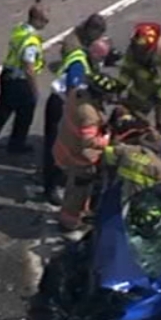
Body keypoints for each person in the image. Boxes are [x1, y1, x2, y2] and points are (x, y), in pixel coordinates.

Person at [42, 14, 108, 205]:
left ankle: (58, 177)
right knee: (56, 147)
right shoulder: (79, 62)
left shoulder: (86, 56)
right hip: (62, 104)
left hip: (66, 103)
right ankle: (51, 186)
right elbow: (75, 91)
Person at [0, 0, 48, 156]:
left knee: (4, 109)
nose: (46, 23)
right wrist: (35, 91)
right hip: (20, 81)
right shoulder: (31, 41)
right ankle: (16, 145)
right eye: (45, 20)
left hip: (7, 75)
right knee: (25, 113)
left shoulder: (20, 29)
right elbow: (28, 67)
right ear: (36, 19)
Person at [52, 71, 110, 232]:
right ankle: (69, 222)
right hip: (80, 159)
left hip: (65, 147)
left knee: (73, 186)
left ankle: (73, 213)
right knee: (77, 192)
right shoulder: (89, 115)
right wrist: (106, 140)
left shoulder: (77, 94)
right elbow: (88, 141)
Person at [117, 23, 161, 135]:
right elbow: (127, 69)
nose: (139, 50)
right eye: (137, 46)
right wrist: (119, 85)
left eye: (142, 48)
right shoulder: (133, 47)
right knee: (132, 121)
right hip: (140, 90)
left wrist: (160, 96)